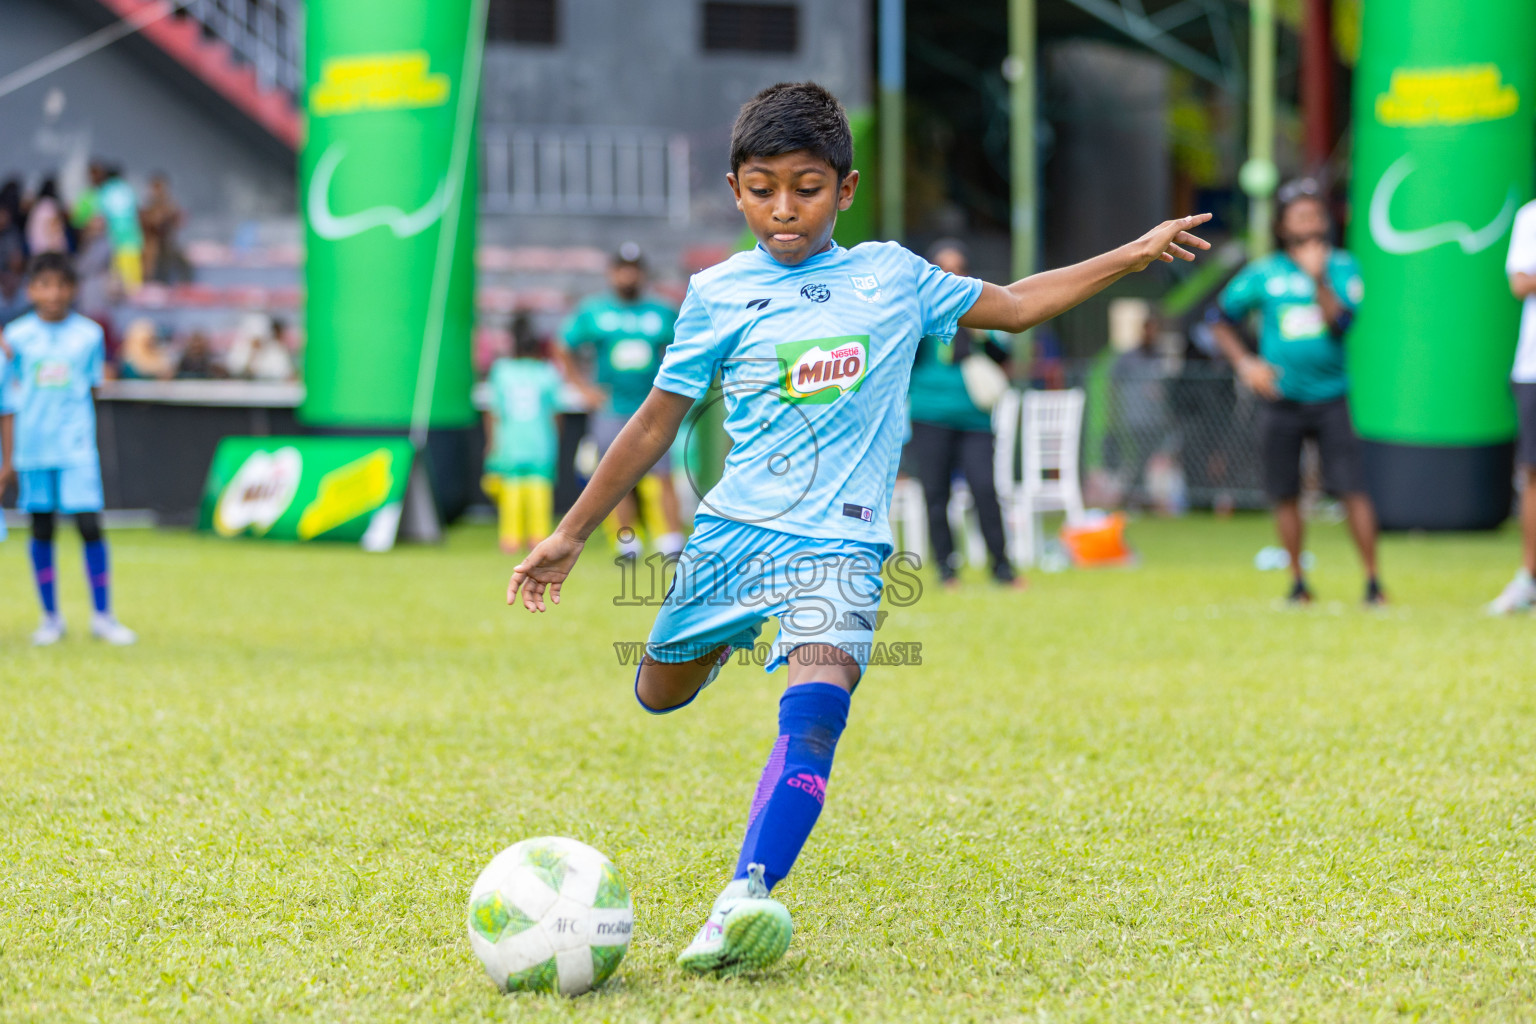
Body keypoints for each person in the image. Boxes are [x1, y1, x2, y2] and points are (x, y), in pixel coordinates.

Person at [506, 82, 1211, 975]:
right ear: (736, 191)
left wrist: (1132, 255)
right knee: (657, 693)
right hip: (730, 538)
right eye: (762, 188)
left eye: (805, 186)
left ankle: (744, 897)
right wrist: (570, 533)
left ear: (846, 188)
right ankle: (723, 643)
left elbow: (1022, 303)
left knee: (816, 714)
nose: (783, 208)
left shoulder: (894, 277)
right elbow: (653, 422)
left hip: (843, 545)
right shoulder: (717, 293)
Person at [1208, 179, 1385, 606]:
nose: (1309, 222)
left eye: (1315, 213)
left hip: (1330, 397)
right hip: (1279, 399)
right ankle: (1297, 582)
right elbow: (1219, 317)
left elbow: (1342, 325)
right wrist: (1245, 363)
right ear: (1283, 225)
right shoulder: (1264, 273)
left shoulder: (1344, 267)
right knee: (1284, 491)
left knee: (1351, 488)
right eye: (1299, 215)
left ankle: (1373, 582)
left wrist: (1318, 278)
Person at [0, 253, 136, 645]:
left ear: (72, 290)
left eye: (61, 285)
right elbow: (8, 401)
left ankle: (103, 616)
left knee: (89, 525)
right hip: (33, 448)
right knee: (41, 528)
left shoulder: (89, 336)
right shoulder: (16, 338)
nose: (53, 293)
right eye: (44, 285)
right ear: (31, 290)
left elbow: (92, 388)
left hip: (75, 448)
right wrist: (8, 460)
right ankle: (50, 617)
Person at [905, 239, 1021, 587]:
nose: (951, 276)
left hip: (974, 418)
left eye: (958, 269)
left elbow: (1005, 359)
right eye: (944, 269)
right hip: (929, 414)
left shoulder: (981, 310)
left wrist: (979, 330)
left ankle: (1002, 567)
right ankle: (946, 569)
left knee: (985, 488)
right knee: (936, 492)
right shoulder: (917, 311)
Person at [561, 243, 685, 558]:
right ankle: (627, 543)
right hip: (611, 407)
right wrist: (583, 388)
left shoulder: (661, 311)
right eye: (622, 268)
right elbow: (564, 346)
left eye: (634, 269)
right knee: (616, 476)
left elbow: (683, 350)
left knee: (663, 474)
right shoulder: (594, 310)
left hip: (653, 408)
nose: (628, 275)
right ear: (612, 273)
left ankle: (672, 541)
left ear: (642, 273)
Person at [1487, 197, 1536, 613]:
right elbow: (1520, 281)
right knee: (1534, 474)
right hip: (1533, 368)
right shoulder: (1530, 215)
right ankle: (1529, 579)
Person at [483, 313, 563, 554]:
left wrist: (492, 442)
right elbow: (555, 412)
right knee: (539, 488)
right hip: (540, 442)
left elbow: (493, 412)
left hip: (510, 442)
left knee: (512, 489)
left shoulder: (501, 371)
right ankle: (538, 539)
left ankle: (510, 539)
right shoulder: (547, 372)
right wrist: (556, 438)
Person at [96, 165, 144, 295]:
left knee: (117, 276)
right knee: (133, 279)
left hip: (114, 239)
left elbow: (100, 214)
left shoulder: (105, 190)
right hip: (132, 237)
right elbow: (137, 211)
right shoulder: (128, 189)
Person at [140, 173, 188, 284]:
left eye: (159, 188)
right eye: (155, 188)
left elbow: (178, 222)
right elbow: (151, 223)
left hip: (166, 249)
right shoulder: (148, 207)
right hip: (152, 250)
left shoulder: (169, 205)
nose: (156, 192)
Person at [25, 178, 69, 257]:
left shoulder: (37, 206)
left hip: (35, 249)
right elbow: (54, 228)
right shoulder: (50, 205)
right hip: (49, 251)